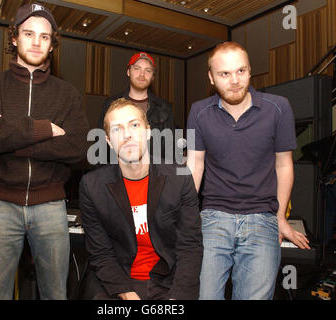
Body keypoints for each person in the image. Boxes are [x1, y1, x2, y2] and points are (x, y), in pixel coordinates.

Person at [0, 3, 89, 300]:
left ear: (52, 45)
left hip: (51, 208)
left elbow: (79, 148)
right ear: (14, 38)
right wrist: (46, 129)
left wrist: (12, 142)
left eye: (45, 37)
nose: (36, 42)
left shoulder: (68, 93)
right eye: (28, 33)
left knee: (55, 295)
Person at [186, 41, 310, 300]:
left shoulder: (279, 107)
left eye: (240, 71)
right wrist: (185, 217)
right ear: (211, 77)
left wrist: (280, 217)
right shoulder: (198, 112)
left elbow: (284, 164)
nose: (234, 80)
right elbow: (195, 165)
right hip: (213, 216)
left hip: (262, 218)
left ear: (250, 71)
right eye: (224, 74)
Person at [79, 98, 202, 300]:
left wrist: (176, 299)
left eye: (134, 125)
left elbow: (190, 247)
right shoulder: (92, 186)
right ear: (108, 140)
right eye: (117, 129)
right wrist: (126, 294)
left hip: (167, 281)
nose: (127, 135)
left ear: (148, 132)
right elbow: (101, 253)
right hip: (118, 281)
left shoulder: (179, 178)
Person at [98, 52, 175, 160]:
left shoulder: (164, 107)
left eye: (148, 70)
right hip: (117, 173)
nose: (142, 74)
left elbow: (169, 149)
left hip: (155, 173)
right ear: (128, 72)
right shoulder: (111, 104)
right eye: (137, 68)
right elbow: (101, 144)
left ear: (152, 77)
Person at [302, 133, 336, 247]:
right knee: (329, 212)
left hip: (329, 178)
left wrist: (318, 161)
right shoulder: (329, 141)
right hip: (332, 178)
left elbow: (305, 149)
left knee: (329, 213)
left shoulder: (327, 141)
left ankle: (323, 243)